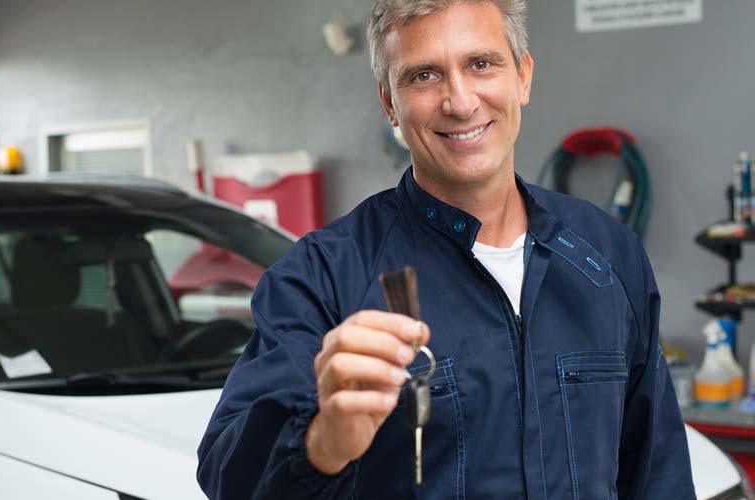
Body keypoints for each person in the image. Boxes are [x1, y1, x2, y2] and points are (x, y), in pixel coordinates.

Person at [197, 0, 695, 498]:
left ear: (522, 76)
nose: (460, 101)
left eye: (481, 64)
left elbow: (658, 473)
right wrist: (321, 444)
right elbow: (227, 478)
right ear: (389, 102)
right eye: (424, 76)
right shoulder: (322, 277)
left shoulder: (608, 256)